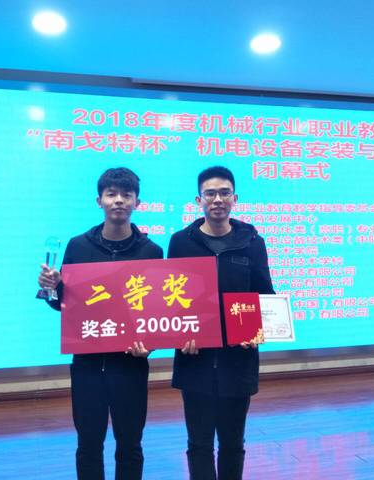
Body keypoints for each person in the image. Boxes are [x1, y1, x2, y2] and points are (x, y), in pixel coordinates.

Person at [38, 167, 163, 480]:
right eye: (111, 194)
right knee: (88, 444)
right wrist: (52, 287)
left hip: (130, 365)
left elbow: (156, 311)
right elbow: (65, 305)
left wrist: (149, 346)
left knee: (130, 444)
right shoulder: (78, 246)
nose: (118, 200)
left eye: (126, 195)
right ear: (99, 201)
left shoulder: (151, 251)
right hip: (87, 365)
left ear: (137, 202)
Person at [167, 166, 275, 480]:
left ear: (234, 198)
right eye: (210, 193)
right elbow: (171, 298)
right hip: (194, 360)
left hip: (238, 360)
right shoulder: (181, 242)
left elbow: (265, 294)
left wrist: (257, 331)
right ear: (198, 199)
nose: (218, 199)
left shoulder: (252, 241)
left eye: (224, 193)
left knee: (232, 443)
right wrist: (179, 335)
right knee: (198, 443)